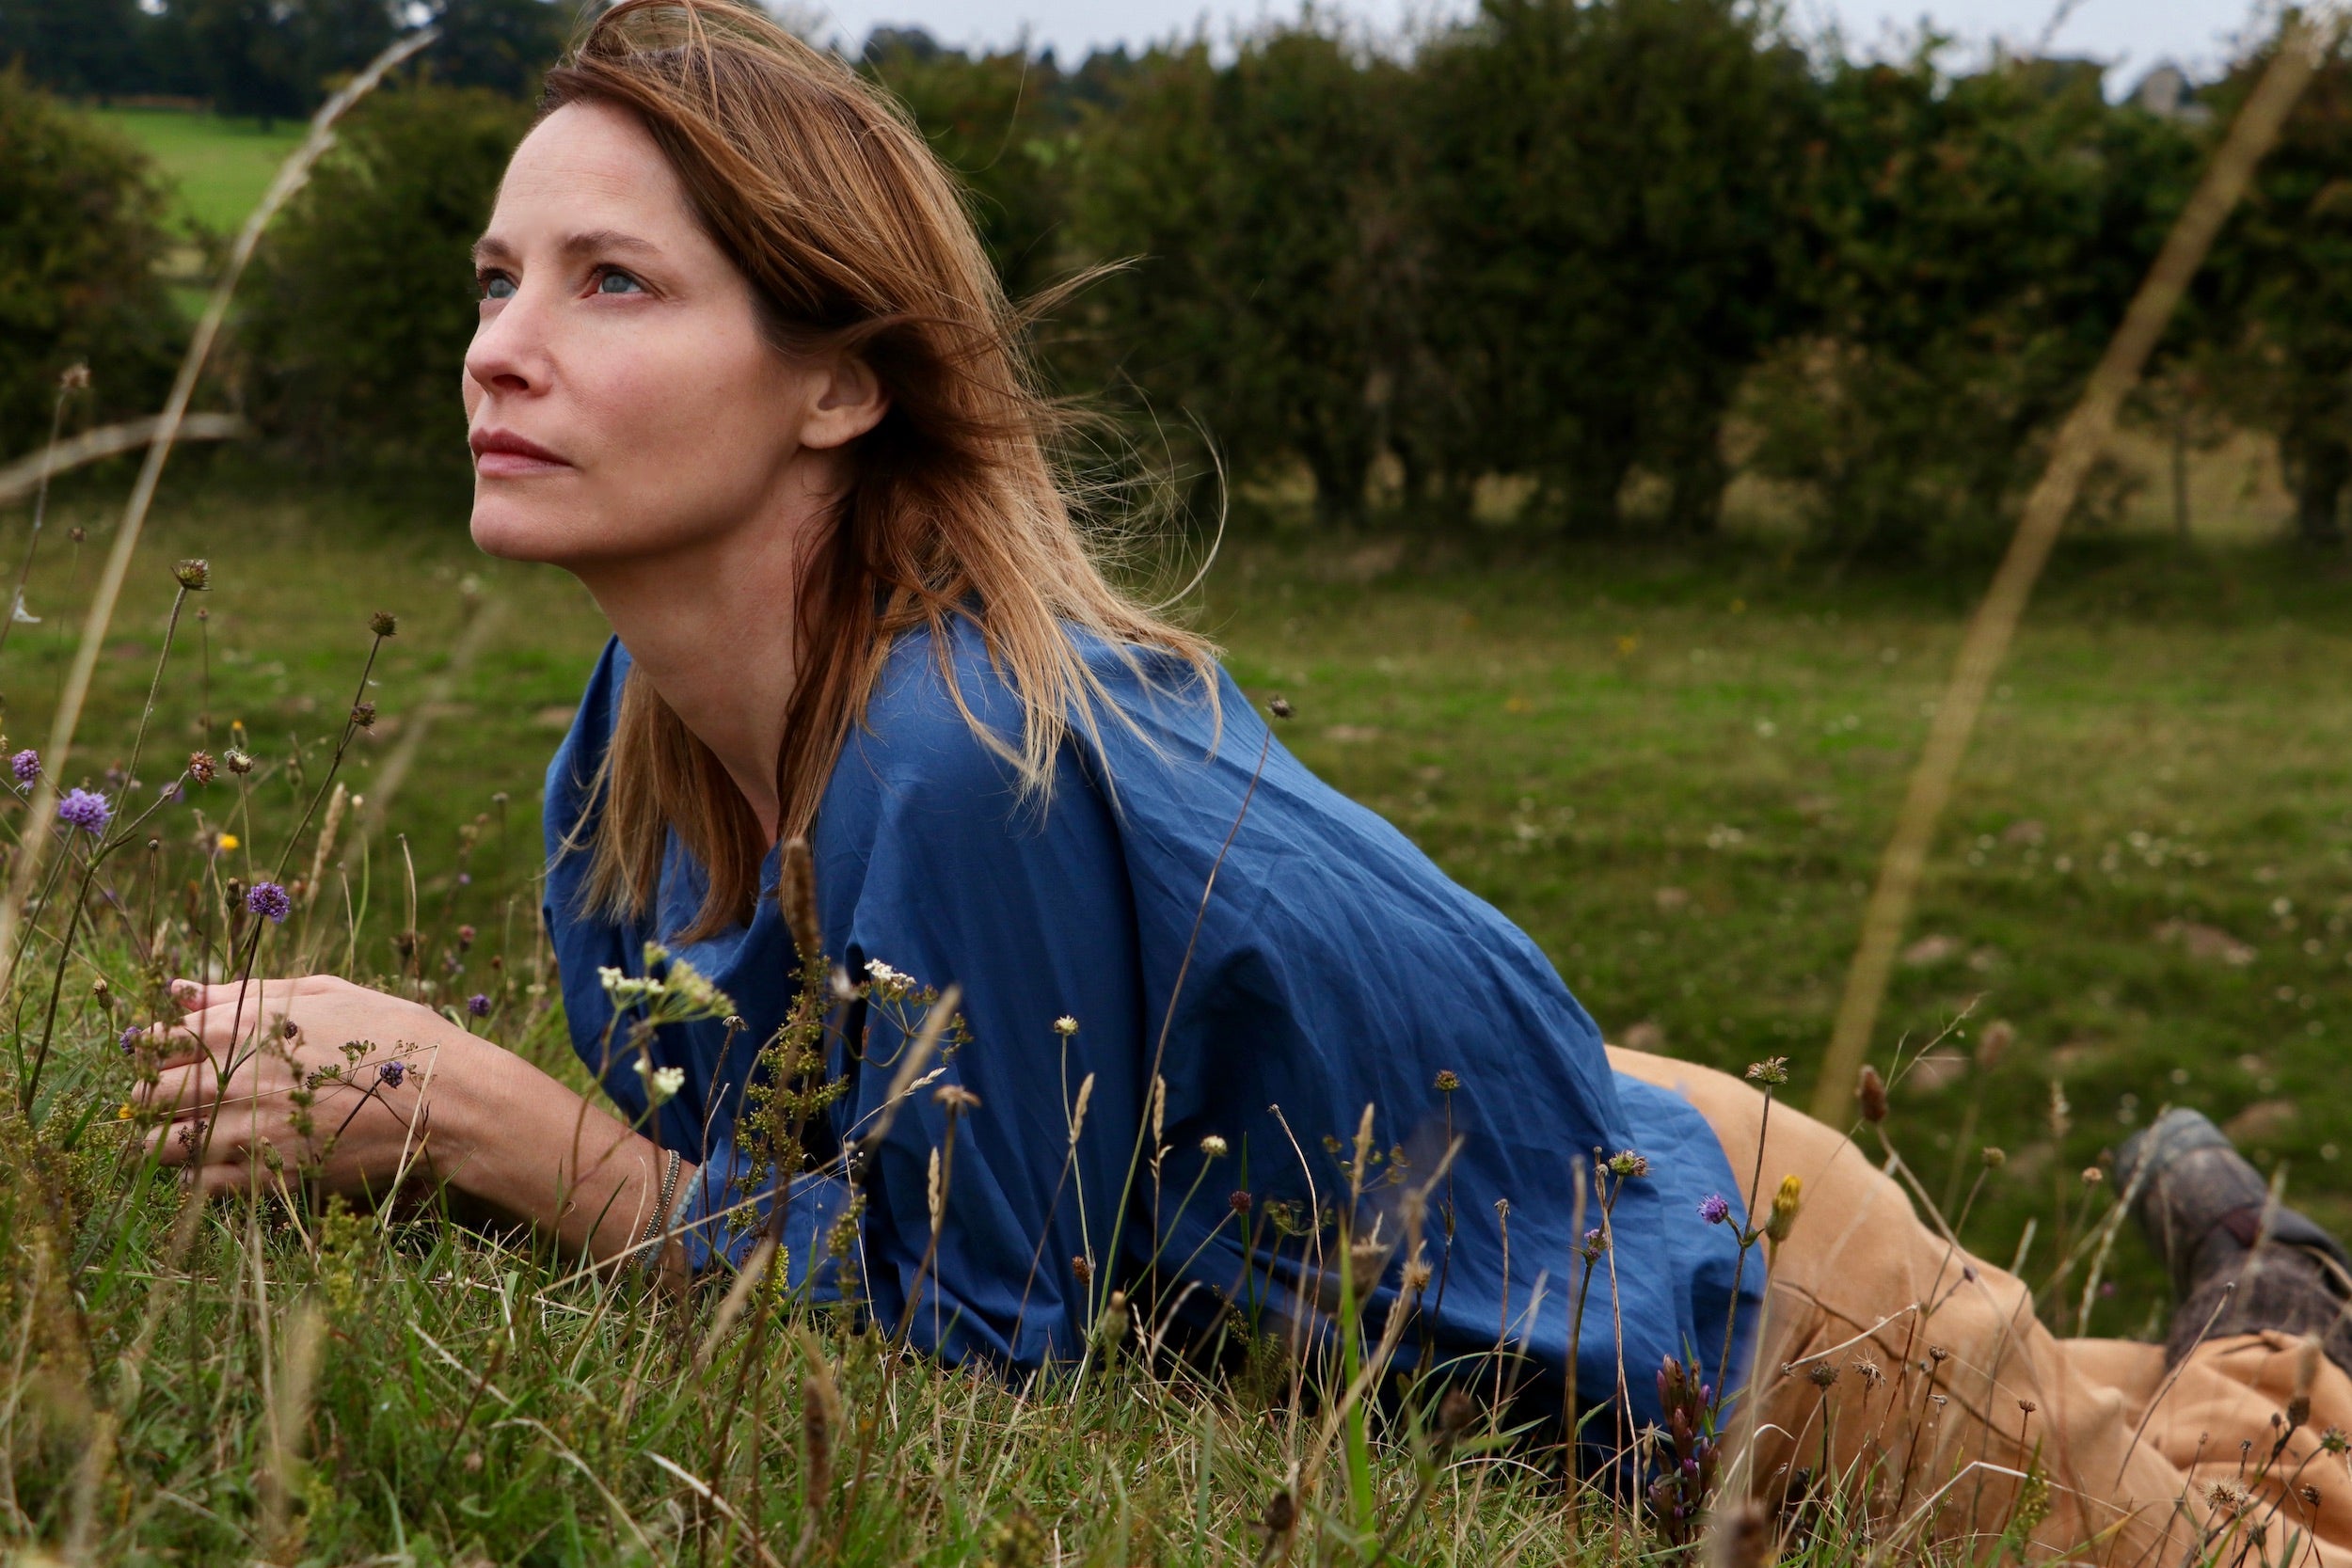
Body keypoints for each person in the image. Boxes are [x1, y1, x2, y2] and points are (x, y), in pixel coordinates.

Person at [138, 2, 2352, 1558]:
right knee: (2127, 1458)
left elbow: (973, 1354)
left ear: (836, 388)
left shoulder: (949, 752)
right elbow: (879, 1235)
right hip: (1491, 1186)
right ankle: (2255, 1306)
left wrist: (507, 1134)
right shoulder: (615, 775)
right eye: (497, 274)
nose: (500, 340)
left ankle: (2275, 1332)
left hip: (1741, 1307)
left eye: (612, 282)